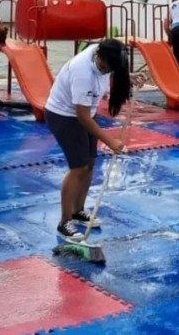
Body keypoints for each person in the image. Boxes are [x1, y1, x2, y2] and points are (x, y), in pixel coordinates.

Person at [45, 38, 147, 241]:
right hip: (64, 115)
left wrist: (128, 76)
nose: (104, 71)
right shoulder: (82, 73)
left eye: (109, 69)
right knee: (78, 167)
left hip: (86, 114)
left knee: (90, 163)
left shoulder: (105, 52)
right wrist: (109, 141)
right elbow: (81, 116)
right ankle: (65, 222)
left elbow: (109, 72)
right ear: (98, 56)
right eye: (103, 67)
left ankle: (78, 210)